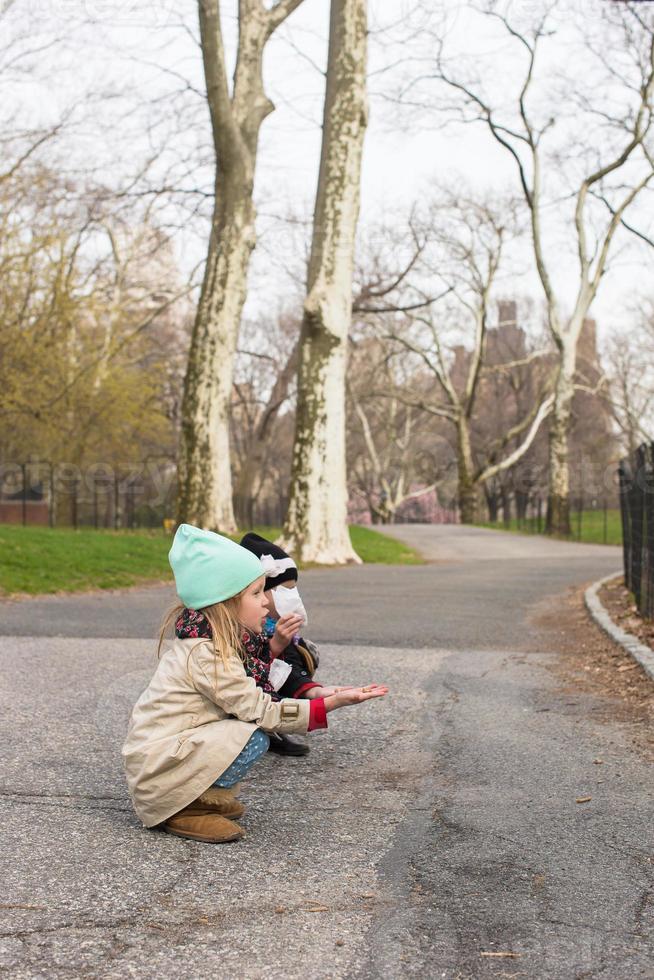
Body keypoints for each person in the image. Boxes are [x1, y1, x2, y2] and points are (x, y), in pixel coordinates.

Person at [122, 524, 388, 844]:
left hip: (166, 760)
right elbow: (260, 708)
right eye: (256, 592)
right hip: (158, 772)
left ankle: (200, 797)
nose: (266, 602)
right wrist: (324, 707)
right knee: (254, 734)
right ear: (226, 602)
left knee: (250, 729)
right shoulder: (208, 655)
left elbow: (265, 678)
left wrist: (317, 692)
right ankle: (184, 809)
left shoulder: (223, 643)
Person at [239, 532, 335, 758]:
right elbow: (244, 667)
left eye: (294, 589)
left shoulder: (273, 623)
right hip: (237, 695)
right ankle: (256, 725)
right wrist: (275, 646)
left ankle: (276, 720)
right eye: (283, 590)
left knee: (303, 652)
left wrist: (312, 690)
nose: (292, 597)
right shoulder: (237, 627)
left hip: (265, 684)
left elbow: (290, 661)